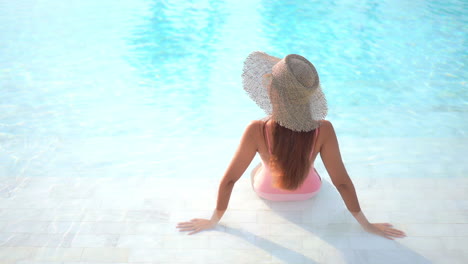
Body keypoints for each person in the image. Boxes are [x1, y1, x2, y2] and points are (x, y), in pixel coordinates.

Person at [177, 51, 406, 240]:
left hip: (268, 192)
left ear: (273, 91)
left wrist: (213, 220)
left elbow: (229, 180)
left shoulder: (256, 130)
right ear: (307, 96)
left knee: (257, 168)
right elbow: (342, 183)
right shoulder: (323, 129)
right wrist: (366, 224)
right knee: (311, 165)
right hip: (309, 192)